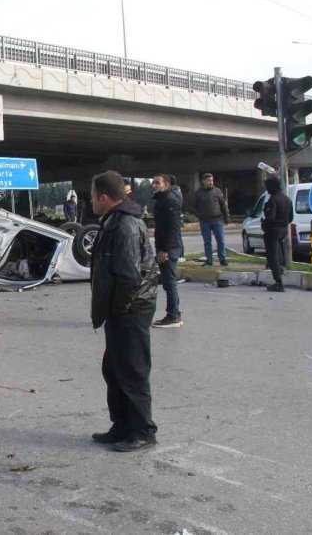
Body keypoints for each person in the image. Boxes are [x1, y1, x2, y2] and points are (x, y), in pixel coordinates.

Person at [89, 170, 158, 452]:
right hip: (120, 309)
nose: (91, 201)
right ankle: (121, 426)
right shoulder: (114, 221)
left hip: (131, 308)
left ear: (104, 198)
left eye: (93, 197)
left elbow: (129, 276)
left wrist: (119, 308)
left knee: (132, 371)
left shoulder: (125, 225)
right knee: (114, 369)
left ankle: (143, 431)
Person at [151, 174, 184, 328]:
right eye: (153, 183)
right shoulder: (163, 199)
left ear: (166, 184)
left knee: (169, 282)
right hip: (167, 246)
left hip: (169, 248)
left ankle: (172, 316)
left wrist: (164, 249)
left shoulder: (169, 200)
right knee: (168, 282)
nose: (154, 185)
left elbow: (172, 227)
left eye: (157, 182)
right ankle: (175, 313)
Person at [192, 173, 230, 267]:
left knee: (220, 240)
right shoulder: (198, 193)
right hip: (204, 221)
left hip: (217, 220)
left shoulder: (217, 191)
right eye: (209, 180)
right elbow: (193, 206)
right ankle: (209, 260)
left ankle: (222, 259)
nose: (211, 182)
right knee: (207, 242)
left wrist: (226, 217)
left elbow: (223, 205)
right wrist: (199, 214)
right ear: (203, 181)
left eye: (212, 180)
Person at [262, 177, 292, 293]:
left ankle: (278, 283)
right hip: (283, 230)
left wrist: (265, 221)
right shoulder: (287, 199)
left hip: (273, 231)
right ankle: (282, 268)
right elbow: (291, 217)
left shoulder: (273, 199)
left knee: (273, 257)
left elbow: (270, 217)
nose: (267, 189)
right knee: (280, 254)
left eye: (267, 187)